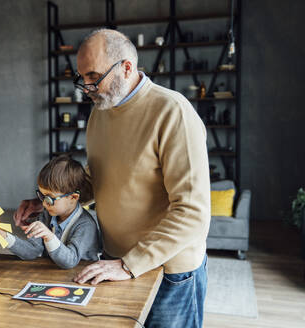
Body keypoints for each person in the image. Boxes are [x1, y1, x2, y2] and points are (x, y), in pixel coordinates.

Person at [14, 29, 210, 328]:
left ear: (127, 67)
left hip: (167, 271)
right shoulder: (100, 113)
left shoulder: (173, 111)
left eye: (93, 75)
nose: (86, 88)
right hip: (113, 260)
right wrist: (51, 201)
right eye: (82, 77)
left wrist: (130, 265)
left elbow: (193, 212)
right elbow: (96, 182)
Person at [1, 155, 100, 269]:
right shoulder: (46, 216)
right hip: (53, 275)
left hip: (81, 276)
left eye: (49, 198)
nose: (43, 204)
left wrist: (49, 236)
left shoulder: (86, 225)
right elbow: (32, 251)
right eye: (42, 196)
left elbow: (70, 261)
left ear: (73, 197)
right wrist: (3, 235)